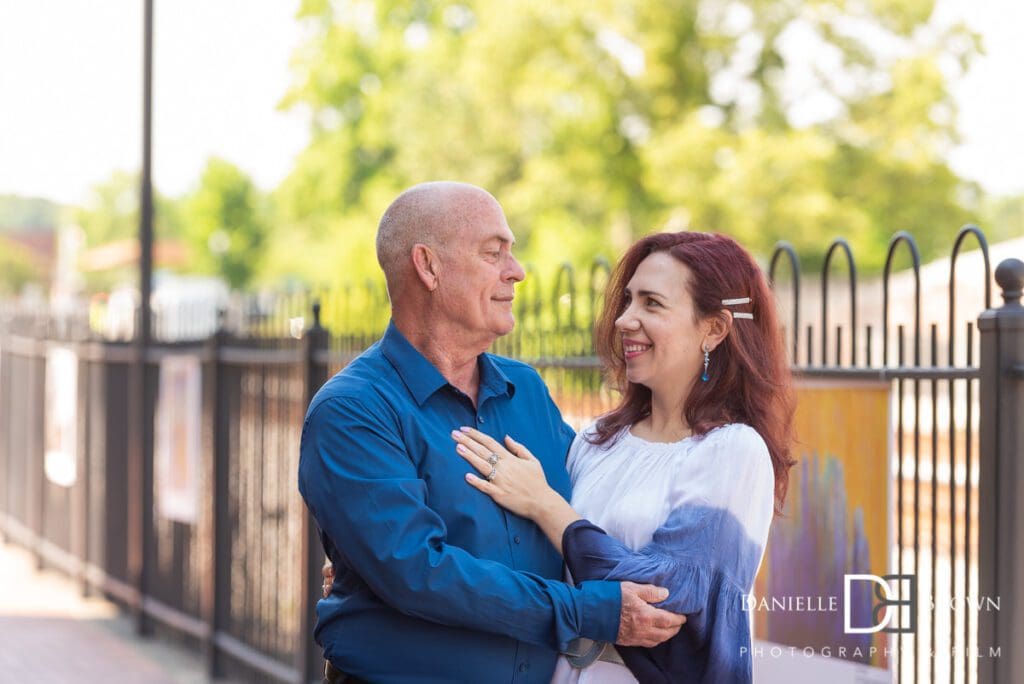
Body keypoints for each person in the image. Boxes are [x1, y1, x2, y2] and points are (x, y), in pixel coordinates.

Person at [297, 182, 686, 684]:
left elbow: (590, 506)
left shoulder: (524, 390)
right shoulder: (353, 410)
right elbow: (418, 575)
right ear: (429, 266)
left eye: (512, 253)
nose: (516, 271)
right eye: (493, 253)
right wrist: (592, 610)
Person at [452, 231, 796, 683]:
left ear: (713, 329)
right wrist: (372, 570)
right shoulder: (599, 439)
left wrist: (545, 503)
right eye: (629, 300)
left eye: (652, 304)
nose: (624, 320)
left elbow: (665, 594)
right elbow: (531, 553)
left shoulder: (733, 450)